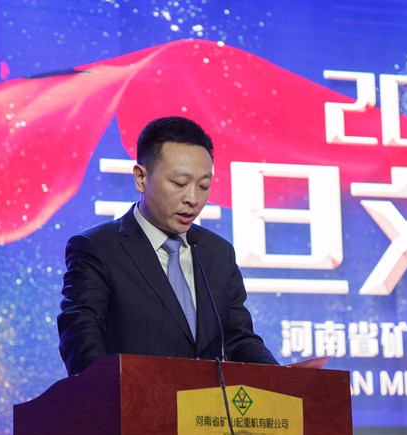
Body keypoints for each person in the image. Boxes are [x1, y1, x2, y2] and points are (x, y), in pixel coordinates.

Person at [57, 116, 279, 375]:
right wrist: (110, 391)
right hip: (135, 399)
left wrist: (283, 380)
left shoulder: (218, 253)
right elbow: (81, 339)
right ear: (141, 178)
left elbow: (238, 339)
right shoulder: (97, 248)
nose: (193, 199)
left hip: (209, 401)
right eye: (179, 184)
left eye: (204, 186)